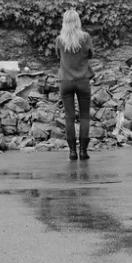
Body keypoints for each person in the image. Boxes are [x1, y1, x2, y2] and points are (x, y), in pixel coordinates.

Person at [55, 9, 94, 160]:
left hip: (65, 81)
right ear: (78, 21)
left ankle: (72, 152)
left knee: (69, 116)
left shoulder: (60, 39)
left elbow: (59, 55)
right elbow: (90, 54)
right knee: (84, 116)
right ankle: (83, 151)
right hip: (83, 80)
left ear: (64, 22)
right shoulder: (85, 37)